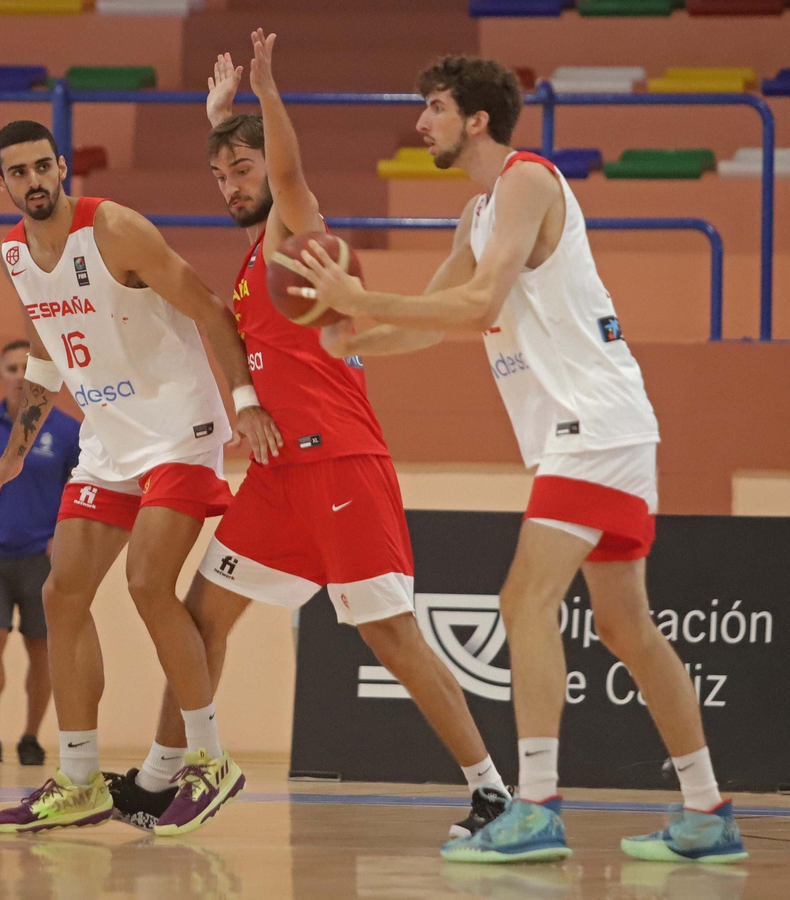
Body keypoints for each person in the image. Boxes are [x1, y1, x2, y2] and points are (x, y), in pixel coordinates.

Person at [287, 57, 748, 865]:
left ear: (475, 119)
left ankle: (536, 805)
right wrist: (348, 341)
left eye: (433, 107)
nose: (420, 122)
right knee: (625, 625)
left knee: (522, 601)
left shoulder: (528, 180)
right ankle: (708, 809)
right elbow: (433, 323)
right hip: (603, 431)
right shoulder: (477, 214)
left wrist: (364, 300)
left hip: (592, 424)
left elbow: (478, 304)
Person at [104, 33, 510, 841]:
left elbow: (285, 171)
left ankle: (492, 790)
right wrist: (222, 126)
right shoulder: (257, 260)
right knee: (201, 614)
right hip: (278, 475)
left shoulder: (297, 234)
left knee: (390, 635)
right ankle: (161, 775)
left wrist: (263, 96)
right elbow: (255, 174)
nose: (230, 185)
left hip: (341, 465)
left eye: (241, 171)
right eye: (219, 177)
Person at [0, 120, 284, 837]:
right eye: (16, 173)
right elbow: (49, 350)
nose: (32, 182)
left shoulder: (113, 228)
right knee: (62, 590)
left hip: (177, 424)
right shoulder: (16, 254)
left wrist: (244, 402)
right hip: (109, 438)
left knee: (147, 582)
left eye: (41, 167)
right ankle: (79, 778)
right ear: (1, 183)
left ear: (61, 167)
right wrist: (18, 450)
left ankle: (209, 760)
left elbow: (209, 306)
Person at [0, 339, 81, 767]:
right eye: (11, 368)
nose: (20, 376)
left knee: (41, 647)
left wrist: (63, 541)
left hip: (42, 557)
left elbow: (79, 490)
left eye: (28, 367)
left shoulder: (66, 430)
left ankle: (30, 737)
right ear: (0, 374)